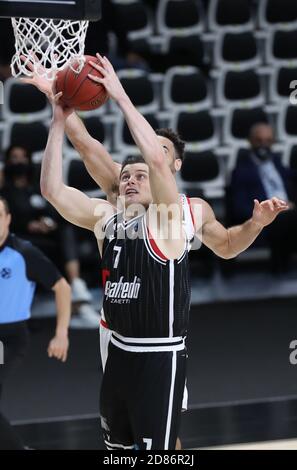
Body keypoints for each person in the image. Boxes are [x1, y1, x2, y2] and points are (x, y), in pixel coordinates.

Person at [37, 55, 287, 449]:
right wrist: (59, 100)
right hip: (115, 331)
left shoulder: (184, 210)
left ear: (174, 163)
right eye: (131, 170)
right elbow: (82, 148)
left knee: (163, 440)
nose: (141, 164)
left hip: (159, 337)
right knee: (126, 441)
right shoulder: (122, 194)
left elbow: (225, 247)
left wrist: (254, 224)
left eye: (158, 152)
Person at [1, 144, 100, 327]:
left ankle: (77, 290)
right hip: (19, 237)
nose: (19, 161)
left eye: (23, 157)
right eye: (14, 157)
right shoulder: (4, 191)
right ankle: (76, 297)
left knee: (66, 230)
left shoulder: (37, 187)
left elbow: (52, 211)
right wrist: (28, 225)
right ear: (7, 162)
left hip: (48, 239)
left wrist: (48, 223)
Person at [0, 196, 71, 449]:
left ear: (8, 219)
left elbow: (62, 287)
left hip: (8, 338)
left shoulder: (23, 252)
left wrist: (61, 333)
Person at [229, 123, 297, 273]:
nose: (263, 145)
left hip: (289, 210)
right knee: (284, 219)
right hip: (267, 218)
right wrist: (267, 212)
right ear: (250, 142)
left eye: (268, 141)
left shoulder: (277, 163)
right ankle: (281, 267)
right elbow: (239, 207)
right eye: (259, 141)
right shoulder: (241, 171)